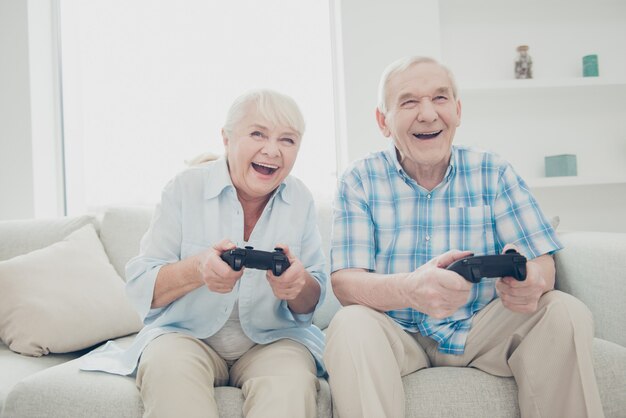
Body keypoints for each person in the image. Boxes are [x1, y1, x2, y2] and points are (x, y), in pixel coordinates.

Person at [323, 56, 603, 418]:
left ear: (457, 110)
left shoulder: (493, 171)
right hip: (396, 333)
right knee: (349, 325)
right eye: (409, 102)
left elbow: (541, 261)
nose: (428, 114)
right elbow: (345, 283)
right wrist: (410, 288)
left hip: (480, 329)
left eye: (440, 99)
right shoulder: (359, 179)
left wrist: (532, 280)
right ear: (383, 121)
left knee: (564, 310)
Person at [81, 89, 328, 418]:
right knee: (169, 372)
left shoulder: (300, 199)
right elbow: (141, 287)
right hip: (183, 337)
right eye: (257, 134)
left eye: (288, 140)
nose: (272, 150)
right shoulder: (184, 189)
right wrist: (197, 269)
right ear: (226, 138)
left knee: (291, 385)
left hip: (273, 341)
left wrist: (297, 286)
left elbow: (312, 300)